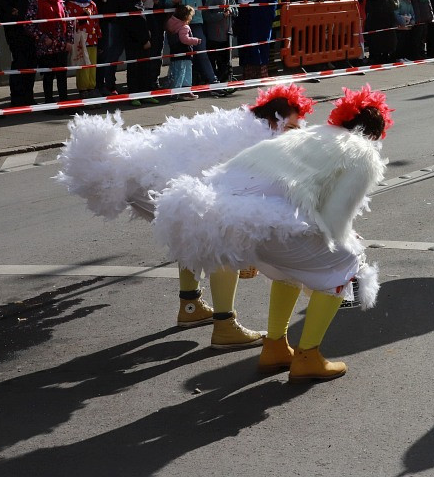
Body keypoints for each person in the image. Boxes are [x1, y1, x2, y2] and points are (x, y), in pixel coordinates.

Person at [152, 85, 392, 380]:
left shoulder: (312, 135)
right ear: (376, 135)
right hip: (262, 223)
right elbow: (335, 221)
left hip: (222, 217)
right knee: (347, 263)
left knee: (290, 268)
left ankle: (275, 346)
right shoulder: (363, 151)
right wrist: (343, 254)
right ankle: (308, 356)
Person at [58, 83, 315, 347]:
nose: (293, 135)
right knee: (222, 235)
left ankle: (190, 306)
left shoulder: (244, 126)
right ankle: (225, 327)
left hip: (142, 177)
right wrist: (248, 256)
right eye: (291, 127)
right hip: (154, 182)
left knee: (190, 224)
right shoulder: (256, 140)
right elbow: (233, 206)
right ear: (274, 119)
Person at [166, 0, 217, 86]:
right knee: (181, 55)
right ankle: (179, 84)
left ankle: (213, 80)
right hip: (179, 23)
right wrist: (173, 0)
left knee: (201, 51)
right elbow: (166, 2)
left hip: (195, 21)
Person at [25, 0, 74, 103]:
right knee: (48, 75)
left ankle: (64, 101)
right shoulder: (35, 4)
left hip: (61, 46)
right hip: (46, 48)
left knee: (62, 75)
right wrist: (43, 38)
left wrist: (70, 41)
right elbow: (29, 25)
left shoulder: (61, 2)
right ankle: (49, 102)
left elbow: (69, 22)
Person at [234, 0, 278, 80]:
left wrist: (258, 5)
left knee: (261, 47)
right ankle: (248, 75)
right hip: (245, 20)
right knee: (246, 47)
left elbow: (272, 0)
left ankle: (262, 74)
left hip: (261, 21)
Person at [65, 0, 100, 98]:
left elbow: (96, 22)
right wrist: (83, 17)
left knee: (92, 64)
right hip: (80, 40)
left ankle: (92, 87)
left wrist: (99, 36)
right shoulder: (70, 5)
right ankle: (83, 89)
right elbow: (70, 23)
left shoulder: (92, 4)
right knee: (83, 64)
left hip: (93, 39)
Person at [122, 0, 156, 105]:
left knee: (145, 68)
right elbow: (134, 26)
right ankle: (134, 95)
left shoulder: (139, 2)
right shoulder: (127, 4)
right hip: (134, 42)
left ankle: (146, 93)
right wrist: (144, 40)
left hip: (144, 40)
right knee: (134, 69)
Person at [203, 0, 237, 84]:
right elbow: (207, 16)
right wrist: (222, 15)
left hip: (227, 34)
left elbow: (236, 10)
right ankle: (213, 81)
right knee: (214, 59)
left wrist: (231, 10)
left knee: (226, 60)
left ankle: (225, 79)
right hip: (215, 36)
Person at [165, 5, 200, 99]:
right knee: (185, 73)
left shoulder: (171, 24)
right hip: (185, 53)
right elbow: (184, 39)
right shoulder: (184, 27)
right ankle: (185, 91)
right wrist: (195, 40)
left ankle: (173, 90)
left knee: (176, 72)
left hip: (175, 52)